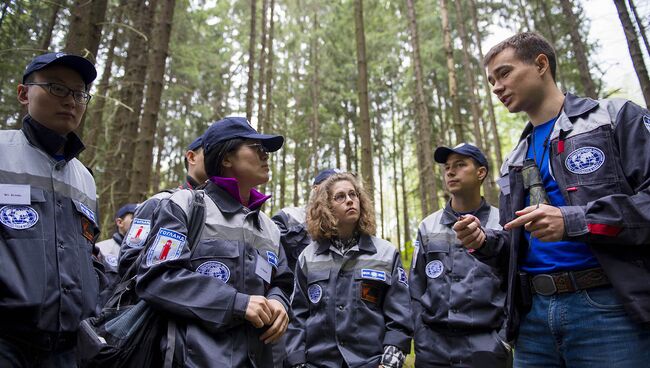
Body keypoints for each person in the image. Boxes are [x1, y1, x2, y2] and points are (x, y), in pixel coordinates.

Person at [455, 31, 650, 367]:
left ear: (541, 64)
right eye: (491, 80)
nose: (496, 87)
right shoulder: (514, 160)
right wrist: (484, 241)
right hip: (533, 321)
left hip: (610, 310)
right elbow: (516, 243)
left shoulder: (615, 118)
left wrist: (576, 221)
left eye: (504, 73)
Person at [134, 116, 294, 367]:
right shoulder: (184, 206)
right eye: (257, 149)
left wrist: (279, 302)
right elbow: (156, 278)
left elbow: (283, 281)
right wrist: (236, 304)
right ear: (226, 158)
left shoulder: (270, 228)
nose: (266, 156)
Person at [0, 52, 104, 367]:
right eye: (57, 88)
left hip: (67, 350)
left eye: (79, 93)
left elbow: (90, 255)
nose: (70, 101)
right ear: (23, 94)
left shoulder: (84, 178)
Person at [286, 172, 413, 368]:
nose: (350, 201)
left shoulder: (385, 254)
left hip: (371, 362)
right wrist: (298, 364)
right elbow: (297, 320)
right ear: (326, 208)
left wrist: (389, 364)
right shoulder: (307, 257)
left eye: (353, 195)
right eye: (340, 196)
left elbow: (399, 319)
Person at [409, 143, 509, 368]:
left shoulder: (502, 222)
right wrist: (421, 337)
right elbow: (415, 288)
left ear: (481, 173)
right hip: (432, 349)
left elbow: (514, 285)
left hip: (486, 347)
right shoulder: (428, 226)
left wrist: (502, 341)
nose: (450, 172)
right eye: (447, 167)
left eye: (460, 165)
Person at [117, 135, 207, 277]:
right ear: (191, 157)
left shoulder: (223, 211)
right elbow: (128, 263)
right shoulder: (158, 202)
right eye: (210, 151)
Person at [272, 168, 340, 273]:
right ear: (315, 189)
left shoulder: (345, 225)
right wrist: (314, 222)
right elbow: (273, 247)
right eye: (330, 187)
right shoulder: (288, 215)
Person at [95, 203, 136, 289]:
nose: (140, 224)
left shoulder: (147, 252)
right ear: (120, 222)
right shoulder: (101, 249)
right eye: (135, 218)